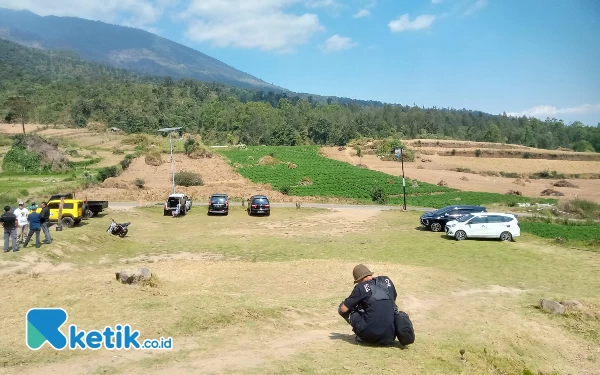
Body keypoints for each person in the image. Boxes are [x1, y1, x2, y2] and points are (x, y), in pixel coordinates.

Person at [338, 264, 415, 346]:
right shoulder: (386, 280)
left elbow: (343, 309)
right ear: (370, 274)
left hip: (369, 337)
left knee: (343, 307)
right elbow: (393, 298)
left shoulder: (360, 287)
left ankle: (363, 336)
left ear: (359, 279)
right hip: (390, 337)